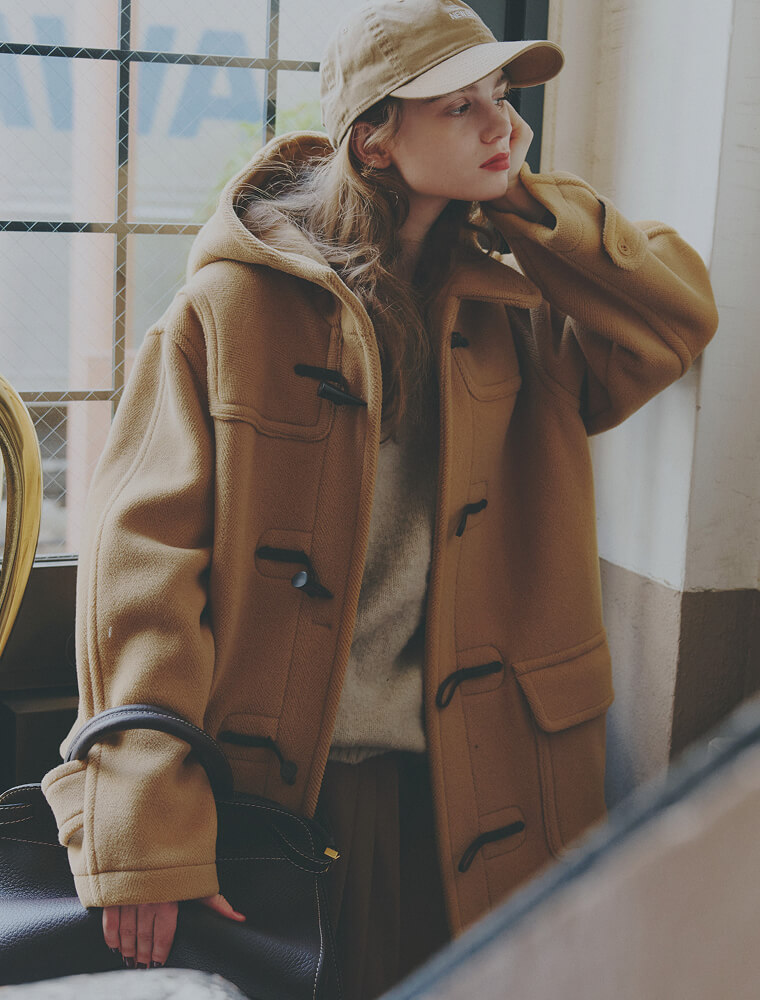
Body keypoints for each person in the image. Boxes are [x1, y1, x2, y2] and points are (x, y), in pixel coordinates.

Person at [40, 0, 719, 997]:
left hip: (482, 787)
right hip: (286, 800)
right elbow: (140, 574)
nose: (504, 125)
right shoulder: (226, 312)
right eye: (460, 107)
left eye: (503, 97)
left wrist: (528, 207)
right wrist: (145, 826)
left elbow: (673, 319)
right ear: (374, 140)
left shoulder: (513, 313)